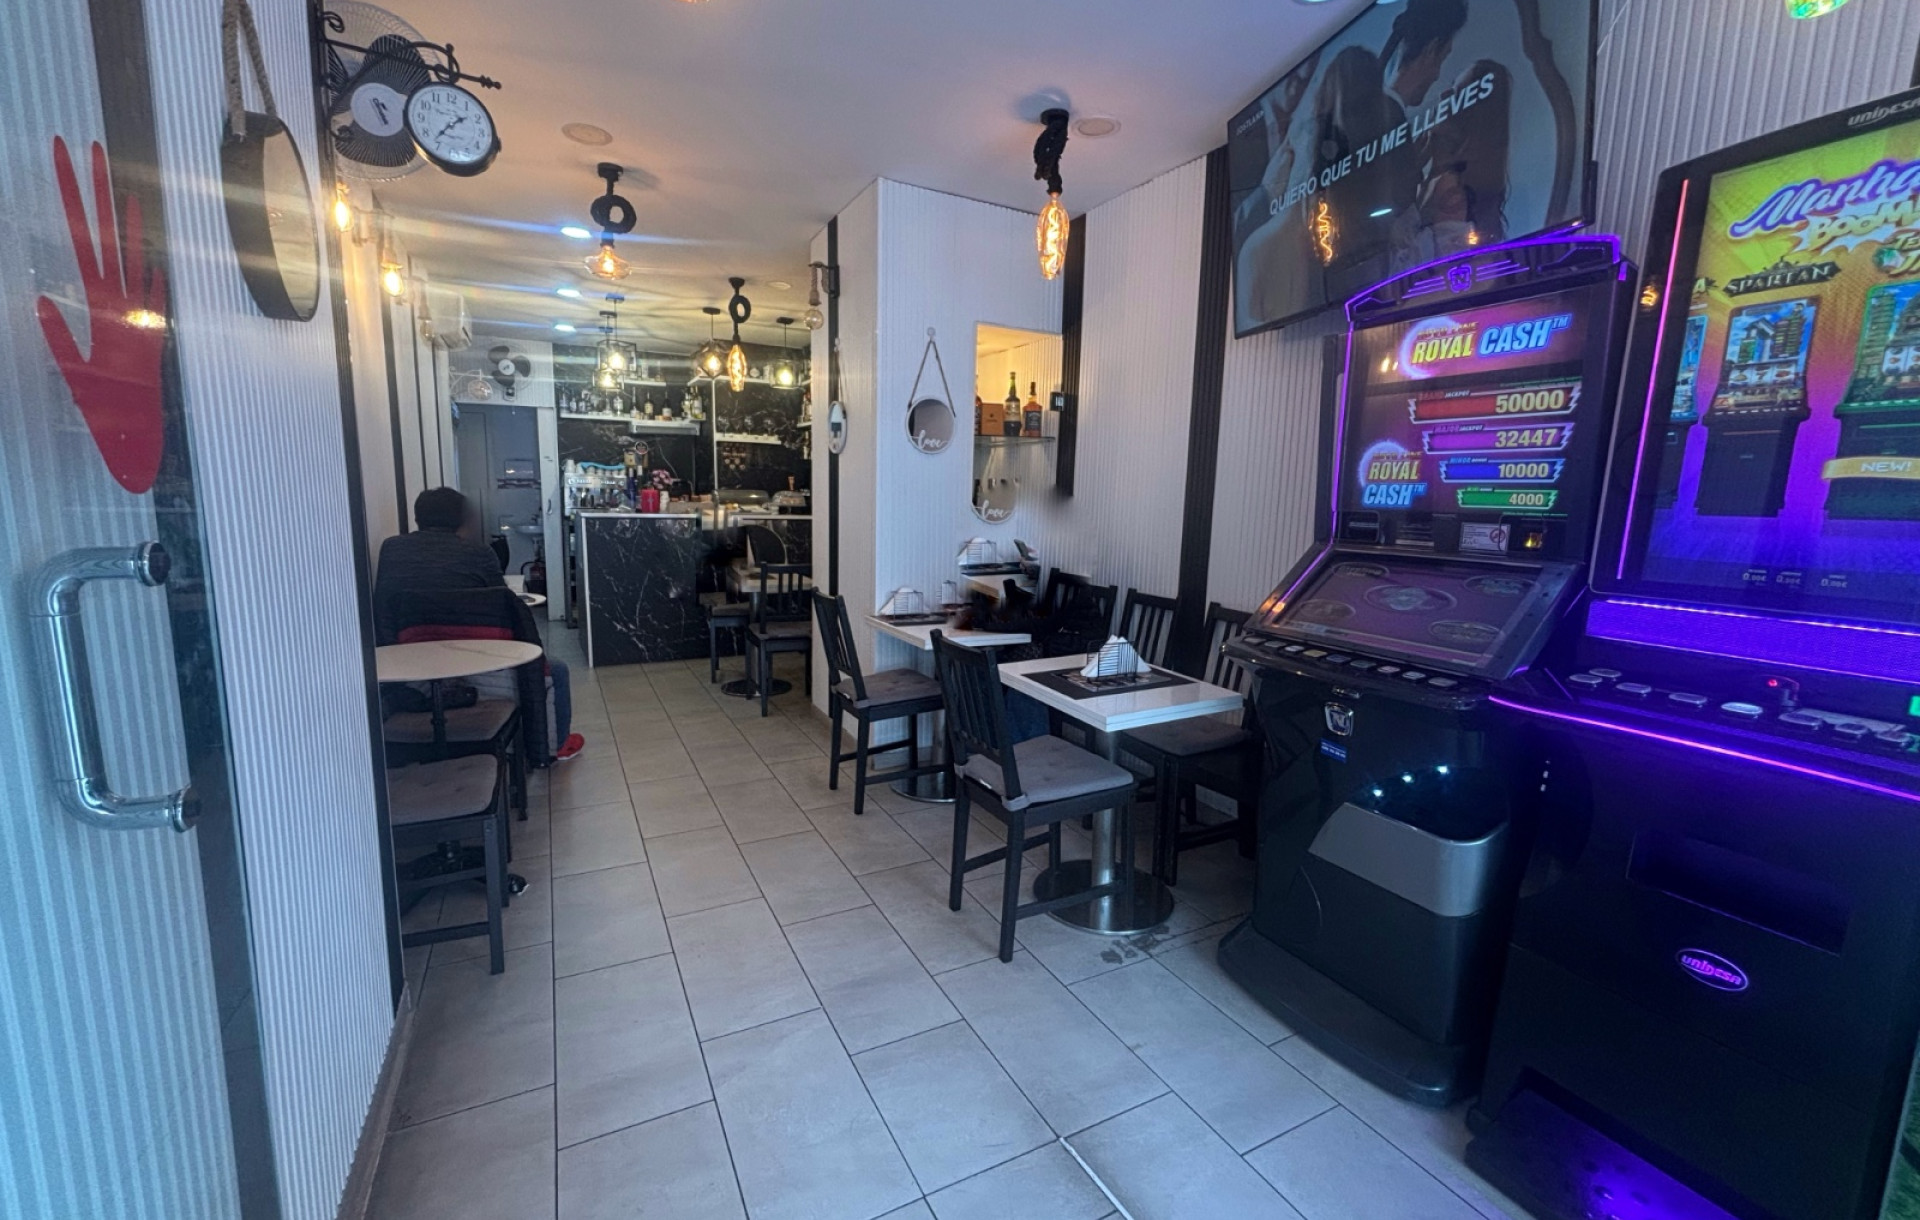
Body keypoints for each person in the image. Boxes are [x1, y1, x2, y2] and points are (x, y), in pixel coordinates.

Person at [374, 487, 584, 761]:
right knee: (556, 670)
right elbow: (501, 602)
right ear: (461, 520)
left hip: (409, 665)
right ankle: (556, 745)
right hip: (476, 664)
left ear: (417, 518)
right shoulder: (478, 552)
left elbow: (384, 607)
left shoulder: (391, 549)